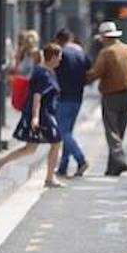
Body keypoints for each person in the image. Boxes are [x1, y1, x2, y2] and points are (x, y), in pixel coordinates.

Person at [0, 43, 65, 188]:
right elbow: (37, 97)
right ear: (52, 57)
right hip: (43, 115)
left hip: (46, 114)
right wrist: (35, 117)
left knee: (30, 148)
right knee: (56, 142)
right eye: (59, 57)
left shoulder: (48, 71)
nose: (60, 60)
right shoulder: (42, 74)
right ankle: (49, 179)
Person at [85, 20, 127, 176]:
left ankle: (120, 160)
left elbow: (96, 72)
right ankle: (112, 168)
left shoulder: (107, 52)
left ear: (105, 37)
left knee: (111, 131)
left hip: (111, 95)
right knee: (119, 132)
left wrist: (83, 79)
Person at [53, 27, 91, 177]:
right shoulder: (81, 52)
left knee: (62, 132)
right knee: (68, 131)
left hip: (63, 96)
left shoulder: (62, 53)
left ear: (59, 40)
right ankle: (63, 165)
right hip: (78, 97)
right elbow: (89, 70)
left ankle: (81, 159)